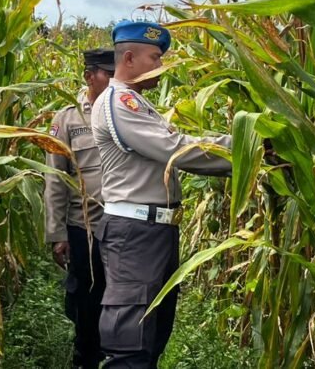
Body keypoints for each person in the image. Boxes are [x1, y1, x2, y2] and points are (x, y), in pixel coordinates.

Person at [90, 20, 233, 368]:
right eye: (155, 58)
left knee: (151, 336)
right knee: (131, 344)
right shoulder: (121, 101)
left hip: (152, 233)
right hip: (135, 235)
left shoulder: (137, 103)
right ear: (128, 57)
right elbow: (175, 148)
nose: (161, 66)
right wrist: (245, 146)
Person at [45, 48, 115, 369]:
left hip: (119, 227)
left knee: (115, 297)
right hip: (83, 228)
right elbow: (55, 180)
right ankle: (84, 357)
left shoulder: (121, 113)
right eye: (107, 73)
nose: (114, 79)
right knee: (86, 298)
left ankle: (110, 353)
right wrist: (57, 233)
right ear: (89, 76)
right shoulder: (68, 119)